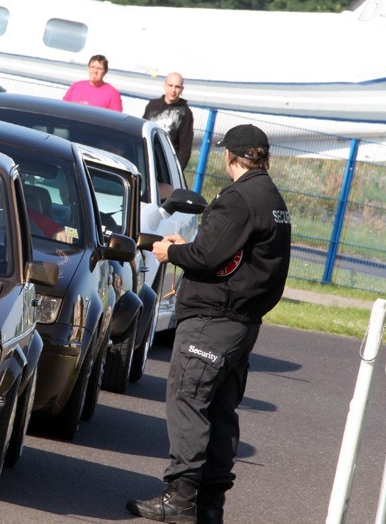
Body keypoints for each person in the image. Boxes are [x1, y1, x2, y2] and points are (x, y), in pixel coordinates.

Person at [126, 124, 291, 524]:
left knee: (188, 400)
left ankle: (181, 497)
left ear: (230, 156)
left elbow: (206, 257)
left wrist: (171, 252)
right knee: (219, 412)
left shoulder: (238, 199)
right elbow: (228, 254)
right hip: (242, 324)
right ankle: (209, 505)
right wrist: (190, 249)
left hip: (213, 320)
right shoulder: (272, 199)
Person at [143, 72, 194, 172]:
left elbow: (185, 147)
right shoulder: (152, 105)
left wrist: (176, 171)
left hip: (166, 165)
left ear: (182, 89)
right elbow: (143, 129)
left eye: (177, 87)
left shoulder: (185, 113)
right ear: (165, 85)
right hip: (146, 157)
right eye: (170, 85)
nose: (173, 90)